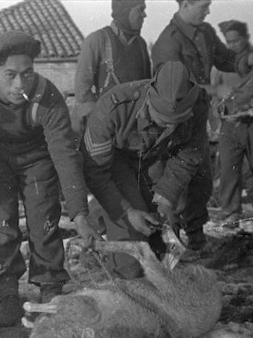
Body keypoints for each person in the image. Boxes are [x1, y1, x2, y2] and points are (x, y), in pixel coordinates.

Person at [0, 31, 101, 327]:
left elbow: (64, 155)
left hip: (36, 159)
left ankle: (50, 292)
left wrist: (79, 214)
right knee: (0, 221)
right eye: (11, 75)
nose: (20, 84)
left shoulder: (47, 96)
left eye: (27, 74)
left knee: (44, 220)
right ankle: (8, 296)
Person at [81, 61, 210, 279]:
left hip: (155, 159)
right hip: (116, 163)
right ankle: (98, 241)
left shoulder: (198, 104)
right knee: (130, 264)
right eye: (162, 120)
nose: (169, 128)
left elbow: (187, 157)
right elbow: (97, 173)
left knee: (162, 234)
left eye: (176, 123)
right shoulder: (112, 108)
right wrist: (126, 211)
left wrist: (165, 199)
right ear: (149, 98)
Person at [149, 0, 253, 251]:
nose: (208, 10)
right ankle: (171, 241)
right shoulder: (168, 43)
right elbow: (170, 90)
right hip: (175, 119)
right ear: (186, 4)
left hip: (198, 115)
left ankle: (196, 236)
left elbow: (228, 59)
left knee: (202, 179)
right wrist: (213, 89)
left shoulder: (205, 31)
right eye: (204, 5)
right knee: (175, 179)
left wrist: (250, 59)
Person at [74, 0, 150, 132]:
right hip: (108, 126)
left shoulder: (141, 44)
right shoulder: (97, 39)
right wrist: (98, 121)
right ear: (124, 11)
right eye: (140, 9)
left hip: (136, 126)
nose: (144, 15)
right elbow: (82, 87)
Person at [212, 20, 253, 225]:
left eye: (236, 41)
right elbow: (216, 93)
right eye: (228, 41)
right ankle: (230, 209)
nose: (232, 45)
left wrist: (252, 104)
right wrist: (218, 106)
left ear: (246, 38)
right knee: (228, 167)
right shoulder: (223, 65)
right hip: (230, 125)